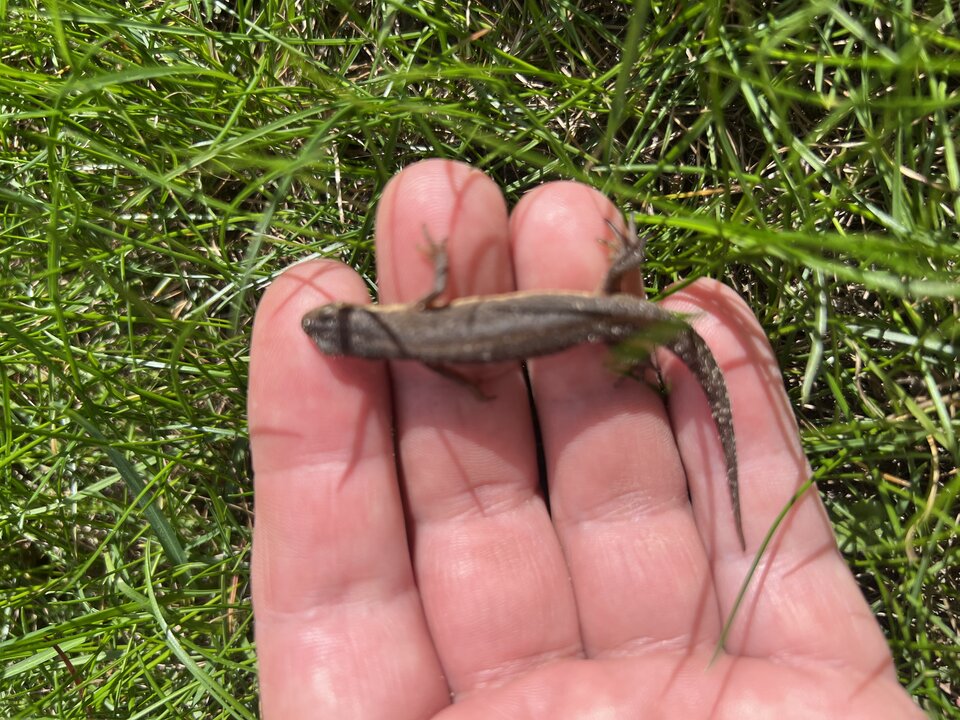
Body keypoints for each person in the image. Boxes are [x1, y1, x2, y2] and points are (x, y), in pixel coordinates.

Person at [247, 159, 924, 718]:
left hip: (578, 318)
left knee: (608, 324)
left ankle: (630, 281)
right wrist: (443, 269)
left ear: (365, 330)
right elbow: (446, 284)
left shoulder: (416, 353)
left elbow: (454, 356)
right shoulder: (416, 327)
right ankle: (628, 266)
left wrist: (477, 389)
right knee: (603, 321)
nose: (331, 325)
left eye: (334, 327)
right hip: (574, 316)